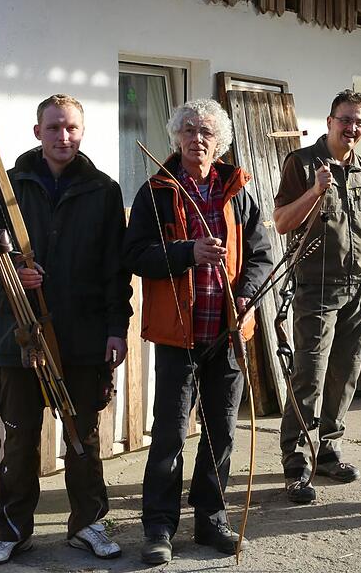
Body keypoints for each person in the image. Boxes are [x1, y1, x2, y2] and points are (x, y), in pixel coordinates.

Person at [0, 94, 131, 565]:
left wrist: (116, 328)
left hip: (81, 339)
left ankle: (88, 525)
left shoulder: (103, 190)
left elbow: (114, 270)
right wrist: (10, 269)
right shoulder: (7, 186)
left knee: (83, 438)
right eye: (55, 127)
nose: (64, 136)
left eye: (72, 128)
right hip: (21, 338)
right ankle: (13, 531)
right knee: (19, 438)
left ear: (82, 132)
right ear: (37, 132)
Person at [123, 99, 272, 564]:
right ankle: (159, 527)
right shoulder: (157, 191)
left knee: (221, 432)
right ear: (176, 137)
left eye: (206, 131)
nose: (196, 138)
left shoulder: (239, 190)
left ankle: (210, 519)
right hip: (178, 335)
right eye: (188, 130)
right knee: (169, 433)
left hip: (227, 332)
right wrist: (189, 251)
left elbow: (262, 257)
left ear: (220, 140)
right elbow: (136, 255)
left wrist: (246, 295)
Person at [273, 89, 361, 504]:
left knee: (346, 373)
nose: (351, 128)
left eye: (358, 122)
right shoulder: (301, 164)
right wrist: (314, 192)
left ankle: (329, 450)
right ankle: (297, 462)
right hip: (318, 289)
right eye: (345, 119)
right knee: (309, 375)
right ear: (329, 121)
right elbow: (282, 222)